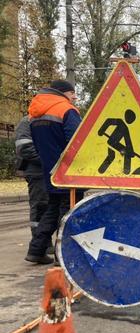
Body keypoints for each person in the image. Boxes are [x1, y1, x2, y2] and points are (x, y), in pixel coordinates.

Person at [25, 80, 83, 264]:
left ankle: (36, 250)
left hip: (50, 173)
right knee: (68, 214)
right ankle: (62, 256)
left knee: (52, 211)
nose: (74, 96)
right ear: (62, 93)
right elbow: (78, 141)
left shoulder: (34, 114)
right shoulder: (66, 110)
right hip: (69, 173)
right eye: (72, 92)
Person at [14, 116, 51, 254]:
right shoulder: (27, 121)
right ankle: (41, 244)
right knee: (40, 206)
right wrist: (49, 161)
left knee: (50, 207)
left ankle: (43, 244)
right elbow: (25, 148)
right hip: (36, 171)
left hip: (46, 170)